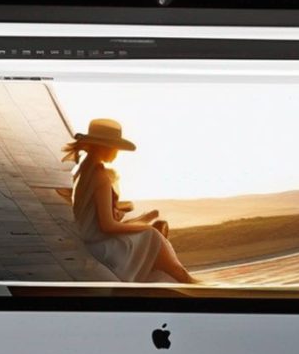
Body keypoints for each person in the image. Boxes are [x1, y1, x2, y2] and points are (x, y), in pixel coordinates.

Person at [62, 118, 197, 284]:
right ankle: (194, 285)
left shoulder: (83, 168)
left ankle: (187, 282)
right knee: (153, 237)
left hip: (91, 242)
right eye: (115, 147)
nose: (117, 152)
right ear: (107, 146)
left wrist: (137, 219)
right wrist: (145, 226)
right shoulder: (100, 176)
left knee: (152, 242)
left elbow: (93, 217)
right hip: (101, 247)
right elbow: (107, 226)